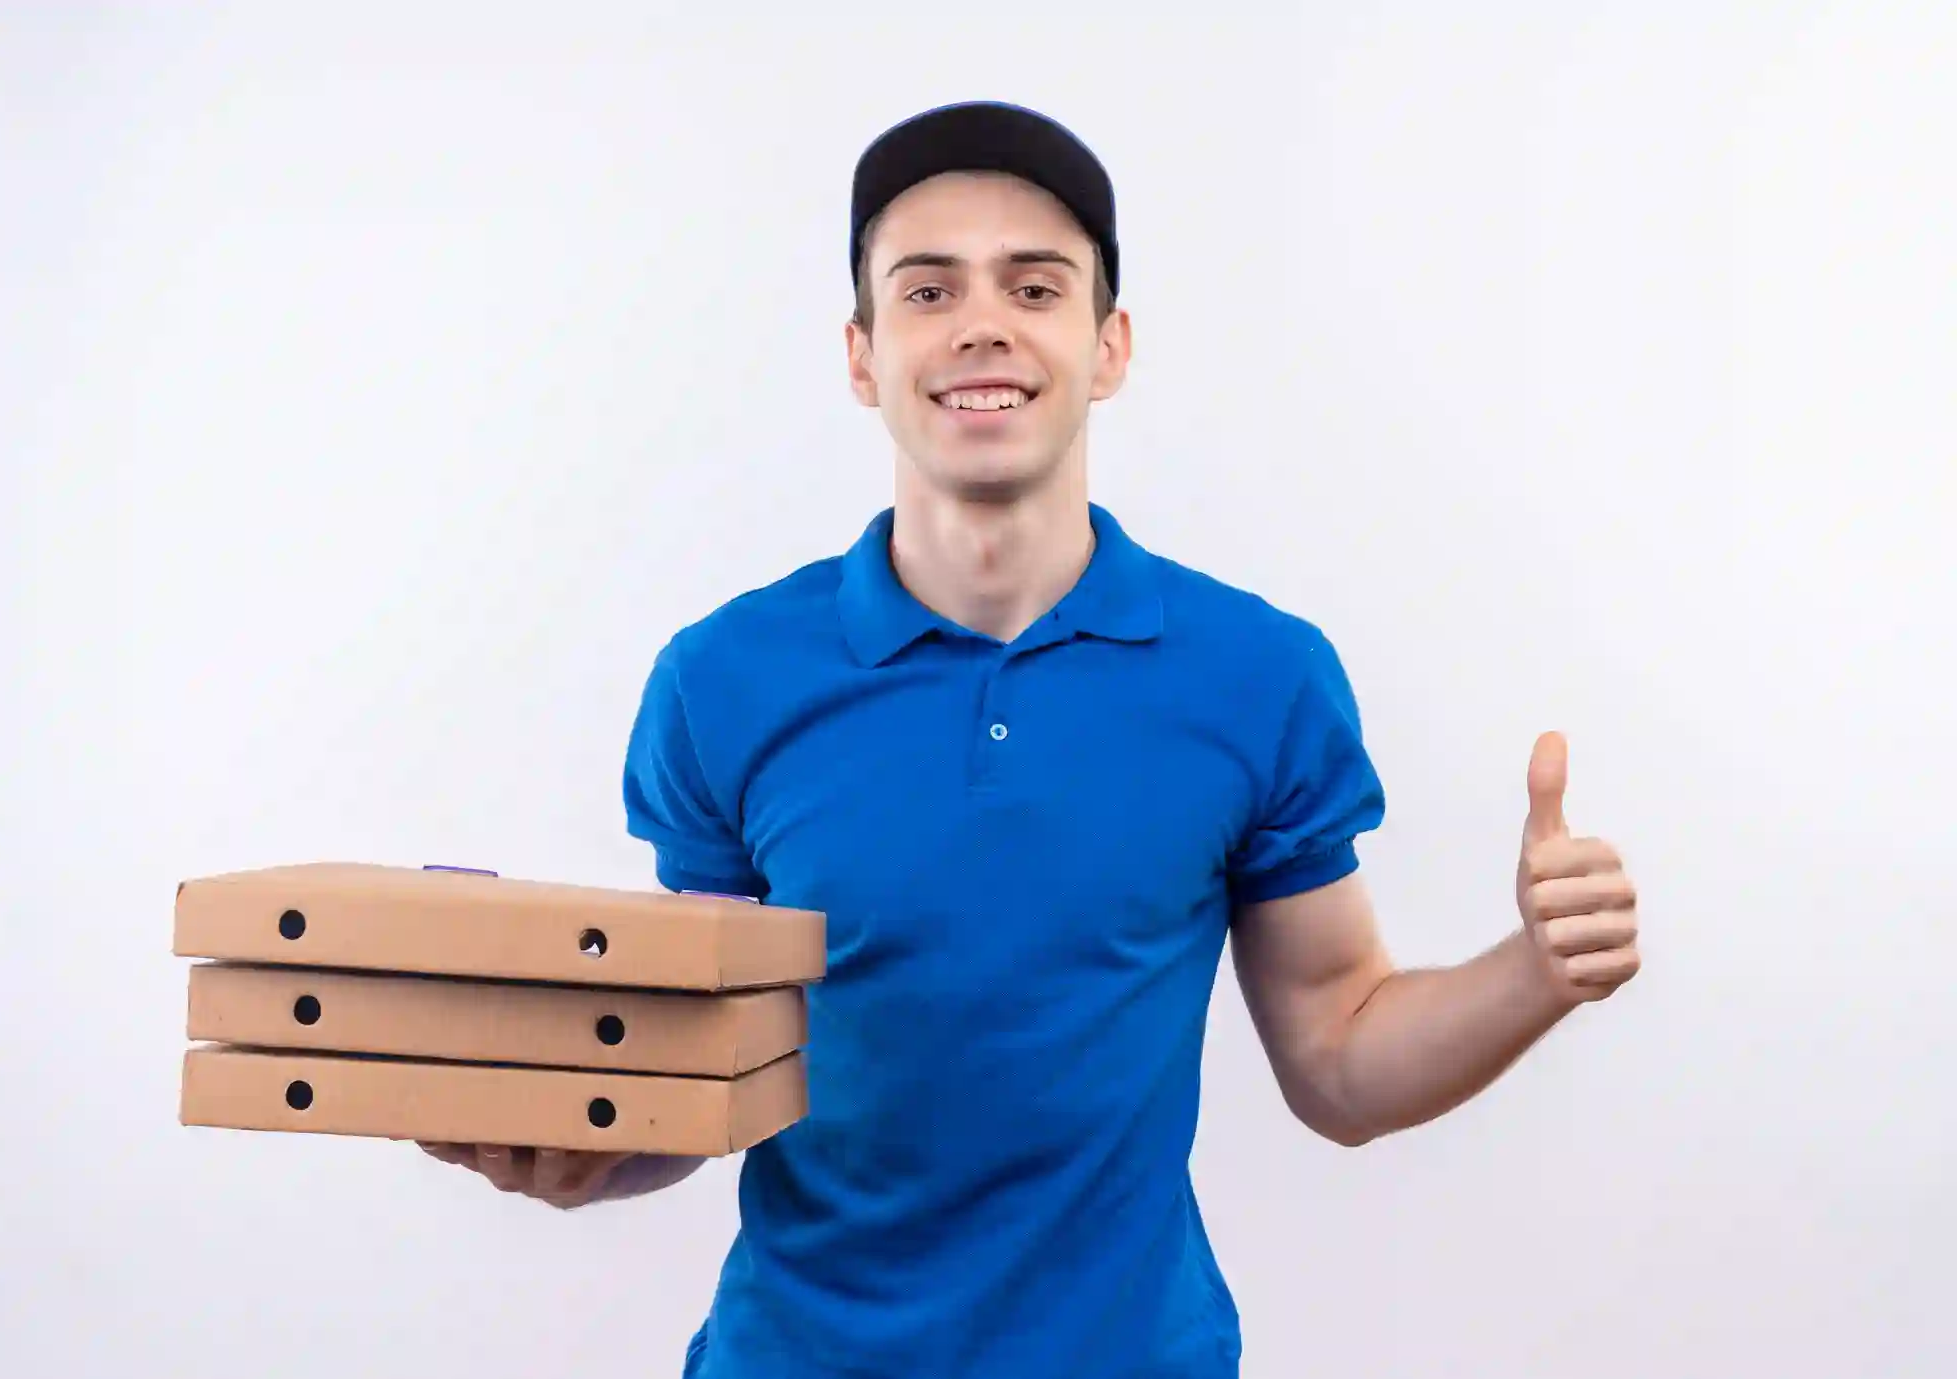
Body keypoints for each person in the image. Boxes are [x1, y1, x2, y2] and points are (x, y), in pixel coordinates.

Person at [421, 101, 1643, 1377]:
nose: (981, 323)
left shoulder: (1255, 676)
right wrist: (585, 1153)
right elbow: (708, 1075)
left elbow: (1337, 1056)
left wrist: (1533, 971)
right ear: (862, 353)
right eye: (928, 288)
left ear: (1107, 345)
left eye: (1034, 285)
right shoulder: (723, 682)